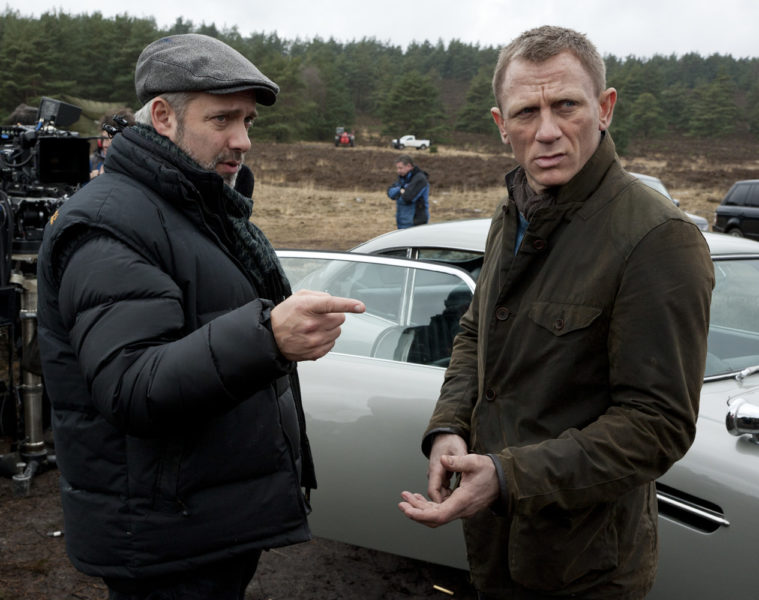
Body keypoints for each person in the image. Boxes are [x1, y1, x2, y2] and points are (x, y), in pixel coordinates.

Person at [36, 33, 365, 600]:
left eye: (248, 121)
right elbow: (130, 384)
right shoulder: (110, 223)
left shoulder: (201, 208)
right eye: (222, 119)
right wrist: (267, 338)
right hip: (165, 539)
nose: (243, 140)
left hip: (203, 521)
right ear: (163, 116)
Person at [398, 25, 714, 600]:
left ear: (604, 108)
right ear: (501, 125)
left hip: (585, 570)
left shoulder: (657, 238)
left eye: (566, 105)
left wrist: (507, 477)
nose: (546, 131)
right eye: (526, 112)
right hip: (495, 550)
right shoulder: (513, 215)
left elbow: (657, 425)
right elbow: (475, 333)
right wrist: (449, 427)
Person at [89, 109, 135, 179]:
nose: (104, 145)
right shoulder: (93, 161)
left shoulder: (136, 167)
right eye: (104, 139)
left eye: (110, 139)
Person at [387, 154, 429, 228]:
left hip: (415, 222)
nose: (398, 171)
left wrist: (400, 193)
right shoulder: (402, 178)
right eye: (397, 168)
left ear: (409, 166)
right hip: (402, 221)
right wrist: (400, 190)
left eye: (400, 168)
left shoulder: (420, 179)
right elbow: (390, 192)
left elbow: (408, 197)